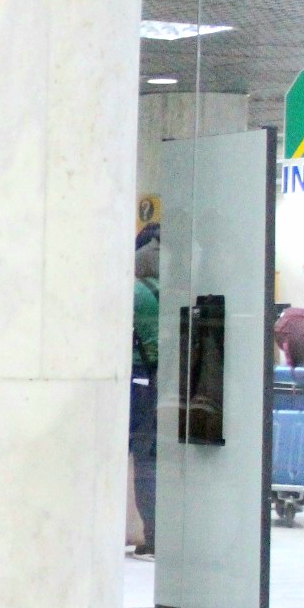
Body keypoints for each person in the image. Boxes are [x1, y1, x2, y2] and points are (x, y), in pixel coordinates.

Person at [130, 226, 162, 557]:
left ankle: (152, 533)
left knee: (142, 460)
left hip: (135, 380)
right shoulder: (174, 289)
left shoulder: (134, 294)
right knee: (152, 457)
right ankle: (157, 531)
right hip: (163, 381)